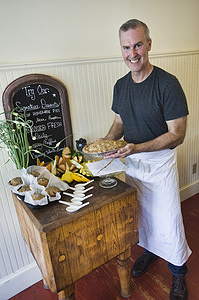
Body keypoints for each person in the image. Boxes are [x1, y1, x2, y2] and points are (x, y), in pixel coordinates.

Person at [103, 19, 191, 300]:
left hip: (158, 165)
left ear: (149, 44)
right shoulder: (120, 86)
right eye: (127, 47)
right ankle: (150, 252)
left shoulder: (167, 83)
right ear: (121, 49)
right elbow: (119, 123)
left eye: (138, 44)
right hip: (133, 164)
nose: (133, 53)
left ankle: (178, 274)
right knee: (142, 217)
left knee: (168, 220)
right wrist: (105, 145)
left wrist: (136, 148)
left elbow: (177, 134)